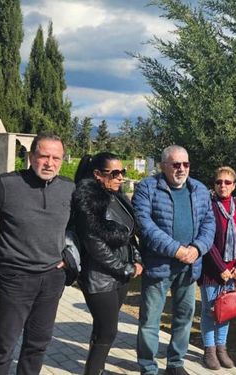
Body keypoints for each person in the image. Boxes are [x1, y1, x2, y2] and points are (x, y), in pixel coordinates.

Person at [0, 133, 76, 375]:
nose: (50, 163)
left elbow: (80, 229)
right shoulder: (7, 185)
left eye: (56, 158)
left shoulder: (69, 189)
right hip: (14, 279)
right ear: (30, 156)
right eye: (44, 156)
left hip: (52, 279)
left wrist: (72, 257)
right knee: (3, 346)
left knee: (37, 345)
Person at [133, 145, 215, 375]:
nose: (181, 169)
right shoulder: (147, 188)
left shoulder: (198, 189)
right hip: (159, 266)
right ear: (163, 166)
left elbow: (209, 224)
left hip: (189, 267)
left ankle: (175, 363)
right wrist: (176, 249)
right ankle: (148, 367)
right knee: (150, 320)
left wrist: (197, 249)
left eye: (185, 164)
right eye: (175, 164)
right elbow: (144, 225)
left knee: (183, 317)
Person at [72, 152, 143, 374]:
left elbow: (131, 234)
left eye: (123, 172)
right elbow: (96, 246)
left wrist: (136, 258)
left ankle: (96, 369)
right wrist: (125, 268)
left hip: (120, 276)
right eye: (115, 173)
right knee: (107, 330)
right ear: (97, 175)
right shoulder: (88, 200)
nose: (121, 177)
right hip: (99, 276)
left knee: (102, 330)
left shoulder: (118, 197)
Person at [199, 166, 236, 370]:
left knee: (226, 309)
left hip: (234, 271)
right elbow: (206, 240)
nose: (223, 186)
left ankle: (222, 348)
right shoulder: (208, 207)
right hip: (213, 270)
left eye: (227, 182)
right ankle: (209, 350)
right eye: (219, 182)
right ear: (214, 185)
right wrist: (220, 267)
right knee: (209, 310)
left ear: (234, 185)